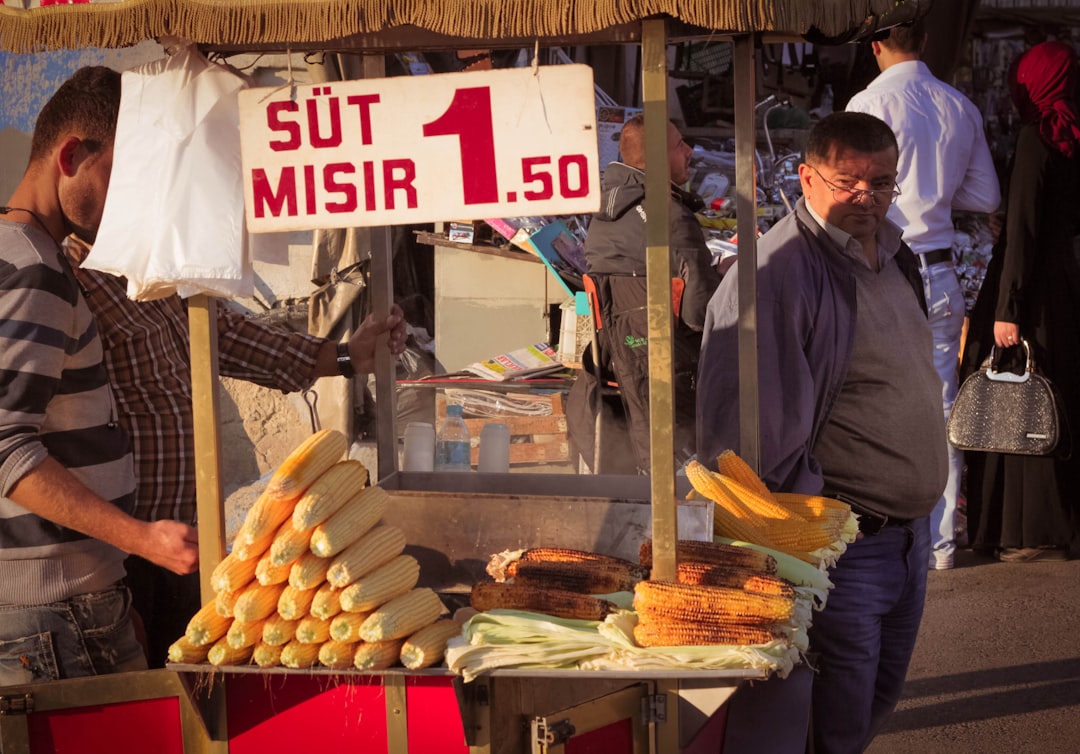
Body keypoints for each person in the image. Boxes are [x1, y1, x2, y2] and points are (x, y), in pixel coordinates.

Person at [697, 112, 948, 753]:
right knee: (832, 724)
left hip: (910, 538)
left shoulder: (895, 254)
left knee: (874, 704)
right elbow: (744, 437)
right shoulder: (776, 275)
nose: (866, 198)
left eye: (882, 183)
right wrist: (794, 550)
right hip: (845, 543)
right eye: (848, 183)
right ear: (807, 179)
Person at [65, 237, 407, 667]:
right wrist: (126, 544)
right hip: (117, 552)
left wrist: (343, 356)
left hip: (184, 539)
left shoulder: (156, 265)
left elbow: (223, 335)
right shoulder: (66, 276)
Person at [0, 67, 199, 685]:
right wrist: (139, 540)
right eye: (120, 176)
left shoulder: (31, 258)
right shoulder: (34, 272)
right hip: (54, 611)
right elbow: (6, 447)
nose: (131, 202)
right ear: (70, 155)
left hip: (73, 601)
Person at [846, 18, 1001, 571]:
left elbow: (850, 187)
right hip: (939, 269)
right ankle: (939, 544)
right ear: (926, 43)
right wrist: (935, 189)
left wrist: (905, 191)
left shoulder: (869, 102)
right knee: (941, 406)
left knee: (869, 397)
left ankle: (883, 531)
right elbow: (986, 193)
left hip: (885, 265)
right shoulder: (957, 104)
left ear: (876, 47)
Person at [960, 40, 1080, 563]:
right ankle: (1058, 521)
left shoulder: (1037, 139)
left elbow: (1026, 233)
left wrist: (1007, 308)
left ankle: (1023, 529)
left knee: (1013, 400)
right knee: (1055, 399)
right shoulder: (1071, 136)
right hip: (1063, 286)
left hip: (1027, 291)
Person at [569, 113, 719, 473]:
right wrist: (723, 275)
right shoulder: (671, 216)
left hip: (615, 364)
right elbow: (700, 313)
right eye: (679, 145)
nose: (690, 151)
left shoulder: (601, 215)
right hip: (673, 374)